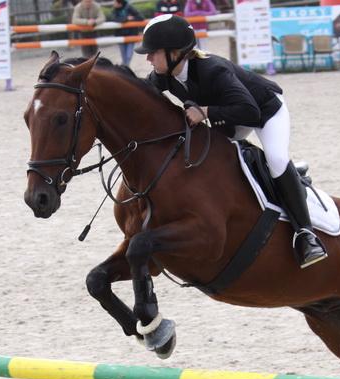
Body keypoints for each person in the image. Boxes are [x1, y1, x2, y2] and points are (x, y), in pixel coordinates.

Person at [135, 15, 326, 268]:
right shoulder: (165, 74)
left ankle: (306, 234)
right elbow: (140, 93)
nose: (148, 58)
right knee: (215, 157)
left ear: (175, 53)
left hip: (265, 110)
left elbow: (250, 112)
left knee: (276, 158)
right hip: (230, 117)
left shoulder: (213, 70)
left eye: (153, 52)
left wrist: (206, 112)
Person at [111, 0, 143, 66]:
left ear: (120, 3)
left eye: (115, 2)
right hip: (120, 35)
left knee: (128, 55)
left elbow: (140, 17)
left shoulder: (129, 8)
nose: (113, 4)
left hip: (131, 34)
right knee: (124, 56)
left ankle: (126, 67)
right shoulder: (114, 10)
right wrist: (127, 18)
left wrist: (131, 19)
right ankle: (125, 67)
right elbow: (114, 19)